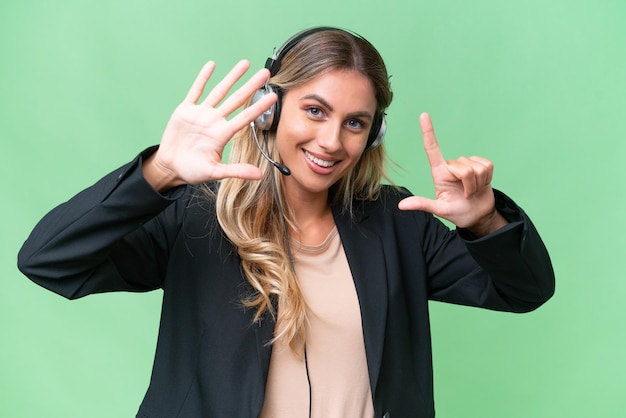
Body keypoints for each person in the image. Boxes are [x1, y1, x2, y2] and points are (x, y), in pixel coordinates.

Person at [17, 27, 555, 418]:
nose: (331, 141)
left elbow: (524, 290)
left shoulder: (398, 222)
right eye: (315, 111)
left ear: (372, 136)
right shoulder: (197, 213)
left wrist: (483, 220)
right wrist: (159, 172)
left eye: (355, 123)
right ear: (271, 110)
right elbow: (48, 260)